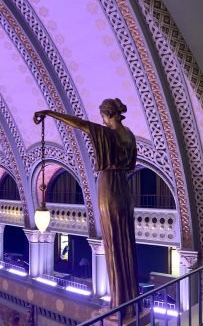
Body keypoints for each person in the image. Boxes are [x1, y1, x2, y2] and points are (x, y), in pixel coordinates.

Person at [34, 99, 138, 311]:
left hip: (108, 185)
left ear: (107, 115)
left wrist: (50, 112)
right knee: (125, 240)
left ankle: (119, 303)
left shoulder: (105, 133)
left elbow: (78, 123)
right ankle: (130, 300)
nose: (102, 120)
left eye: (103, 116)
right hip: (124, 189)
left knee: (113, 240)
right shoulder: (130, 136)